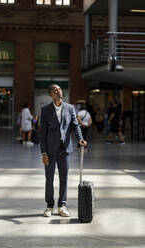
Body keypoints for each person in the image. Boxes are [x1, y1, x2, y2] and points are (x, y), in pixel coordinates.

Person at [40, 84, 87, 217]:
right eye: (56, 90)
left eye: (60, 89)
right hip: (49, 150)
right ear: (51, 94)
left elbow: (75, 126)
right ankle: (49, 206)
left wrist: (80, 139)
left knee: (64, 178)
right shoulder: (46, 110)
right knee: (49, 178)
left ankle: (62, 206)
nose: (59, 91)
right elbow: (43, 133)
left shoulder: (70, 108)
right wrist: (43, 153)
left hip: (65, 149)